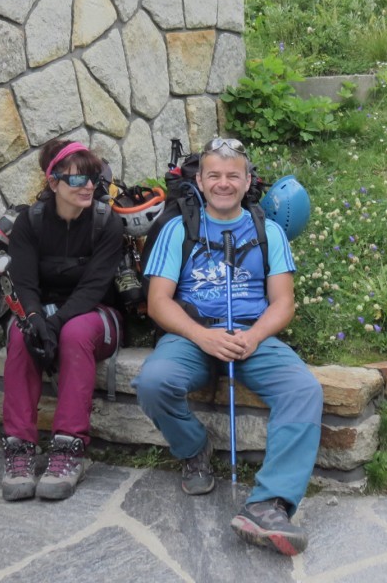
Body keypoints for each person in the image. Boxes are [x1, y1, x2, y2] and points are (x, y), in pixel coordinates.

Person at [133, 138, 323, 556]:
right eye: (214, 175)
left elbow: (283, 302)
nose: (223, 183)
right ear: (199, 181)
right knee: (153, 381)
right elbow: (158, 302)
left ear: (247, 180)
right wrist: (203, 336)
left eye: (232, 175)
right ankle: (194, 448)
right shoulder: (177, 228)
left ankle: (269, 504)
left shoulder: (268, 230)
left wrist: (253, 337)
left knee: (303, 390)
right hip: (193, 333)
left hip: (250, 336)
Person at [0, 139, 125, 501]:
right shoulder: (29, 222)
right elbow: (23, 280)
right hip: (45, 311)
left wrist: (54, 323)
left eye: (93, 177)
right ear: (52, 182)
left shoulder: (106, 223)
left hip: (97, 316)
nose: (88, 186)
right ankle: (19, 450)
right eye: (76, 180)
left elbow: (93, 288)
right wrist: (36, 317)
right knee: (22, 336)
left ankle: (68, 451)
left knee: (73, 333)